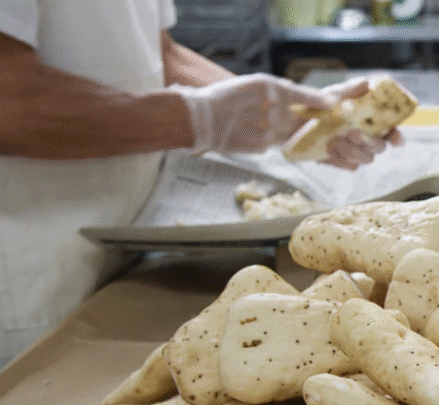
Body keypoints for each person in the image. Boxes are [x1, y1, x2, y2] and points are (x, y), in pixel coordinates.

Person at [0, 0, 404, 368]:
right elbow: (8, 99)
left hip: (128, 249)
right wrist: (197, 120)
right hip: (39, 273)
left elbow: (162, 55)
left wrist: (296, 114)